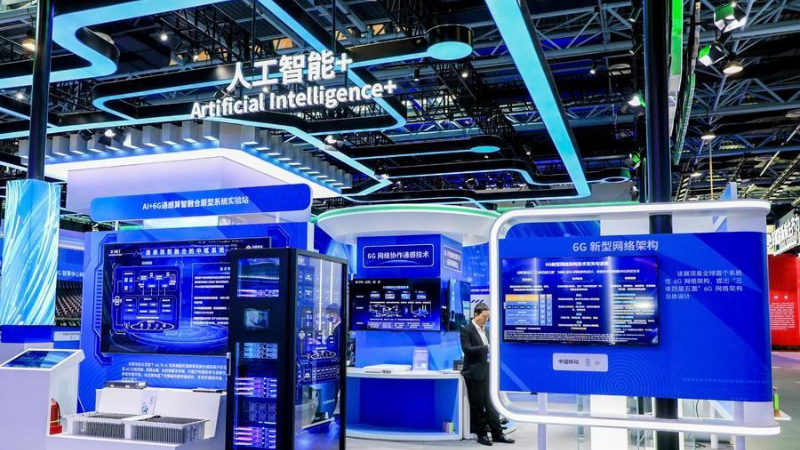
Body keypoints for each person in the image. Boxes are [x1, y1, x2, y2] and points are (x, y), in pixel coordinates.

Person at [460, 303, 515, 446]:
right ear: (476, 314)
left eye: (487, 317)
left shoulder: (487, 330)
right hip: (474, 373)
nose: (486, 320)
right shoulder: (466, 330)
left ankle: (498, 434)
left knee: (492, 404)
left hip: (489, 371)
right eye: (484, 317)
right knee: (478, 405)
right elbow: (467, 349)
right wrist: (487, 347)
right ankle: (482, 435)